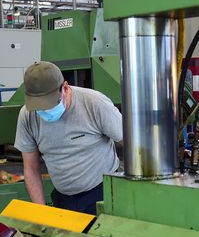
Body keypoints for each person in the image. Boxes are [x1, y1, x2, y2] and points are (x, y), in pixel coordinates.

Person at [14, 61, 123, 215]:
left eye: (50, 104)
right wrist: (41, 213)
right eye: (39, 107)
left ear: (65, 88)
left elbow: (133, 145)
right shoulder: (27, 115)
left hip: (103, 194)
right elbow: (31, 168)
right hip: (63, 200)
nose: (45, 111)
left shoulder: (94, 104)